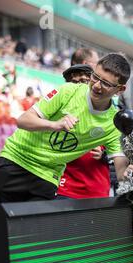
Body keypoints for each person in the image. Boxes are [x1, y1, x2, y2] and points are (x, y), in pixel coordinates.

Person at [0, 53, 133, 208]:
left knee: (33, 231)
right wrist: (55, 125)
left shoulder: (114, 123)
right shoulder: (68, 91)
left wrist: (131, 171)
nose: (97, 85)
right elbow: (23, 120)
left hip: (47, 177)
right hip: (15, 161)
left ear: (120, 89)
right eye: (95, 77)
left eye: (105, 83)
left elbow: (121, 173)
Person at [56, 62, 111, 200]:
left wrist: (105, 155)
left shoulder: (110, 113)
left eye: (83, 81)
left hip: (96, 191)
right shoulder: (58, 111)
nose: (78, 86)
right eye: (73, 82)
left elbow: (125, 153)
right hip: (66, 189)